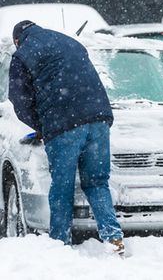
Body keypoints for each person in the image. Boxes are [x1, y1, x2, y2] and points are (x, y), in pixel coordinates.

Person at [8, 20, 124, 254]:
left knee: (62, 186)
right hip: (99, 119)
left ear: (17, 40)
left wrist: (41, 126)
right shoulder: (71, 42)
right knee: (97, 182)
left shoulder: (22, 55)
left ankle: (60, 244)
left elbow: (19, 101)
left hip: (64, 125)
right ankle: (113, 239)